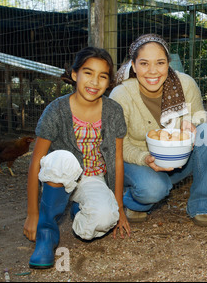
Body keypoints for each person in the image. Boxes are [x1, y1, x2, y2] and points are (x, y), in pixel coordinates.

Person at [23, 47, 130, 269]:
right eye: (88, 73)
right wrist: (32, 214)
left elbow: (117, 160)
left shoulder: (113, 111)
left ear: (109, 82)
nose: (94, 82)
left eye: (103, 76)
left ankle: (79, 209)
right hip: (59, 176)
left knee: (104, 218)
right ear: (75, 75)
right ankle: (46, 235)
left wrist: (119, 208)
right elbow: (36, 161)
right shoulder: (56, 110)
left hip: (93, 178)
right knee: (62, 158)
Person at [110, 33, 207, 227]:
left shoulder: (186, 84)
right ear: (133, 66)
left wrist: (193, 123)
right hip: (138, 162)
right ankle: (135, 198)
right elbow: (118, 144)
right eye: (144, 64)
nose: (153, 71)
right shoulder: (121, 95)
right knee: (152, 190)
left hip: (178, 161)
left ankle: (202, 205)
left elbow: (200, 115)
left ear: (168, 64)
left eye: (160, 63)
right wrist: (145, 158)